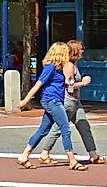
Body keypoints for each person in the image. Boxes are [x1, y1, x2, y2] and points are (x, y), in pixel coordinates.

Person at [16, 42, 86, 171]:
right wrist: (25, 100)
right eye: (65, 52)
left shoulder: (60, 68)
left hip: (54, 100)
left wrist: (73, 80)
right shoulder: (50, 67)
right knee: (65, 128)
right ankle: (72, 161)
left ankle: (24, 155)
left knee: (43, 130)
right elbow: (38, 84)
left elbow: (68, 84)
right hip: (52, 100)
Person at [38, 39, 107, 165]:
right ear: (75, 51)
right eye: (81, 49)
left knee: (84, 126)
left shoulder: (73, 65)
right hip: (68, 101)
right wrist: (83, 83)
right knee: (59, 127)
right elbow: (68, 86)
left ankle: (93, 154)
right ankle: (44, 153)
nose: (83, 51)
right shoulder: (69, 66)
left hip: (76, 102)